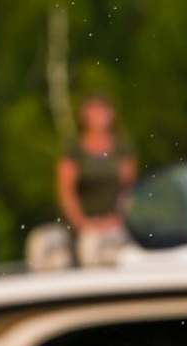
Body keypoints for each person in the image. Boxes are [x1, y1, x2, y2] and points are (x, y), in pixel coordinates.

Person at [56, 95, 137, 265]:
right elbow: (66, 192)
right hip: (85, 226)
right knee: (90, 250)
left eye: (102, 111)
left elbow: (129, 190)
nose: (98, 117)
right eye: (93, 111)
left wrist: (119, 219)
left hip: (116, 223)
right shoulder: (74, 151)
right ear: (83, 116)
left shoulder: (122, 149)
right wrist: (82, 224)